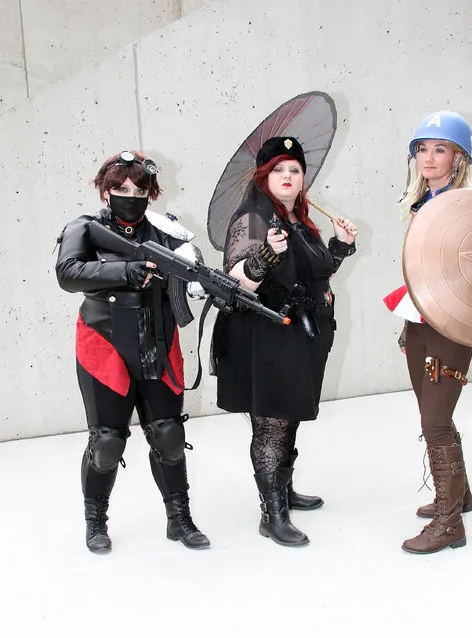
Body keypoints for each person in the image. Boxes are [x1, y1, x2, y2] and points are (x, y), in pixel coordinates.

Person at [56, 151, 210, 553]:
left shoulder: (163, 231)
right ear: (105, 191)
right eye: (122, 188)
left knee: (169, 433)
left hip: (158, 339)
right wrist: (124, 271)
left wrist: (194, 270)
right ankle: (95, 521)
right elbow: (68, 272)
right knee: (107, 441)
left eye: (141, 189)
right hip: (103, 341)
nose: (132, 196)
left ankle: (179, 519)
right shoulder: (85, 228)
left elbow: (195, 273)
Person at [211, 136, 356, 547]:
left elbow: (314, 274)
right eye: (278, 169)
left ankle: (285, 491)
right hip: (266, 337)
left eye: (294, 169)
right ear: (263, 176)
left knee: (288, 416)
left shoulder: (299, 220)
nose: (288, 176)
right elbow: (238, 282)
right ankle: (272, 514)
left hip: (301, 336)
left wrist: (340, 247)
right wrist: (265, 257)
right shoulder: (253, 220)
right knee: (271, 424)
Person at [395, 112, 472, 554]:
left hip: (451, 325)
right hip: (419, 321)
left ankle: (449, 524)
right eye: (421, 149)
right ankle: (458, 495)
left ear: (458, 157)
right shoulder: (424, 200)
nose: (428, 157)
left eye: (439, 149)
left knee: (435, 422)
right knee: (433, 413)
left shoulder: (469, 205)